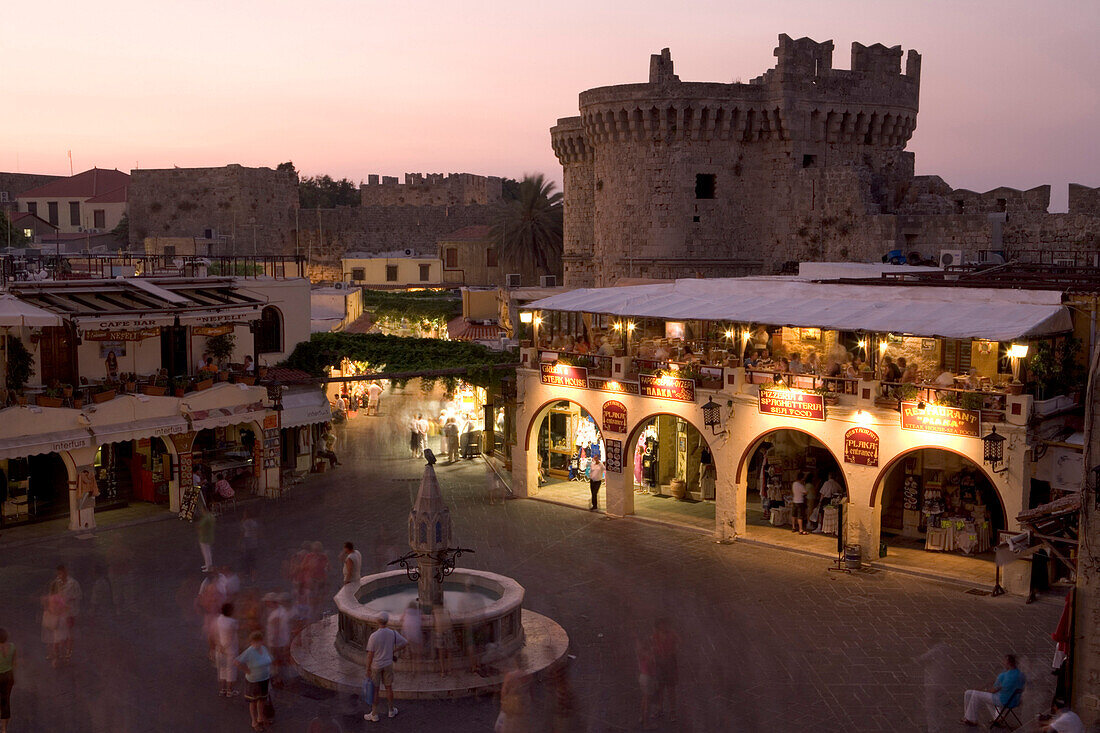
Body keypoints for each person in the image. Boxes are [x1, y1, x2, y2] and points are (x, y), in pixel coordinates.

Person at [363, 612, 407, 722]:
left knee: (376, 690)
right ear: (387, 622)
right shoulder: (392, 633)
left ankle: (374, 714)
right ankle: (391, 710)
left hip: (376, 666)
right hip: (388, 664)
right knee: (389, 687)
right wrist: (393, 651)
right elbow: (405, 642)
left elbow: (370, 655)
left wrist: (367, 668)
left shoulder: (374, 636)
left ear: (378, 622)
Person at [961, 654, 1025, 726]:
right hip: (1015, 701)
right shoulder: (1021, 674)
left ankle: (971, 719)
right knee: (989, 697)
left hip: (1003, 701)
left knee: (974, 694)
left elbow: (993, 691)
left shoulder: (1004, 676)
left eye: (1004, 661)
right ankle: (998, 717)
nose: (1003, 663)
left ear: (1009, 663)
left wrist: (981, 690)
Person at [236, 630, 273, 731]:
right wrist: (246, 670)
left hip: (264, 679)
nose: (256, 644)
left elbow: (270, 659)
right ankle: (254, 721)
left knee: (262, 700)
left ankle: (260, 717)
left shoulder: (264, 649)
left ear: (262, 641)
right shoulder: (249, 651)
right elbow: (237, 662)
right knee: (253, 701)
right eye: (254, 642)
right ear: (251, 642)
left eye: (258, 641)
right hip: (253, 681)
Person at [49, 565, 81, 660]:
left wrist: (69, 599)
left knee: (69, 633)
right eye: (59, 573)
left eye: (62, 572)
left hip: (69, 612)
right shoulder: (55, 582)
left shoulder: (73, 583)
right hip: (58, 612)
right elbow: (51, 596)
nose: (60, 575)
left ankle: (68, 653)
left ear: (66, 572)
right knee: (58, 633)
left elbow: (79, 595)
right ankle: (58, 654)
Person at [651, 618, 678, 723]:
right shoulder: (655, 635)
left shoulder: (671, 634)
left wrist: (672, 652)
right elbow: (652, 647)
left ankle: (672, 712)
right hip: (660, 664)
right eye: (660, 625)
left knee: (671, 689)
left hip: (670, 664)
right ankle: (660, 709)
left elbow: (679, 642)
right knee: (660, 688)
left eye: (664, 625)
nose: (662, 627)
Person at [264, 594, 291, 687]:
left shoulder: (275, 614)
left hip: (276, 643)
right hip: (283, 641)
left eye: (267, 602)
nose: (266, 604)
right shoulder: (282, 610)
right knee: (280, 661)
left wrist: (273, 642)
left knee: (275, 661)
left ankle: (277, 680)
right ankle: (282, 678)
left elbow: (276, 630)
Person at [214, 603, 240, 697]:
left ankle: (222, 689)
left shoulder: (219, 619)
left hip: (220, 647)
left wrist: (220, 646)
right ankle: (230, 691)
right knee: (231, 670)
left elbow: (216, 633)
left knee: (222, 669)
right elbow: (231, 636)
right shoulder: (233, 622)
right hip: (231, 648)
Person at [240, 511, 259, 582]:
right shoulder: (254, 522)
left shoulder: (245, 523)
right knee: (253, 561)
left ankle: (247, 575)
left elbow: (242, 532)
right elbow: (256, 531)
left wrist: (240, 542)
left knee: (247, 560)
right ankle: (253, 577)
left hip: (247, 543)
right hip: (253, 543)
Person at [0, 629, 12, 733]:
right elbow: (15, 662)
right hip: (8, 677)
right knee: (5, 701)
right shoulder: (11, 647)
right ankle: (4, 729)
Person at [197, 506, 216, 571]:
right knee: (208, 552)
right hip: (209, 536)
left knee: (206, 552)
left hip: (204, 537)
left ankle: (208, 567)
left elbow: (200, 526)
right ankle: (208, 564)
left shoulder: (205, 518)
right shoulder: (211, 516)